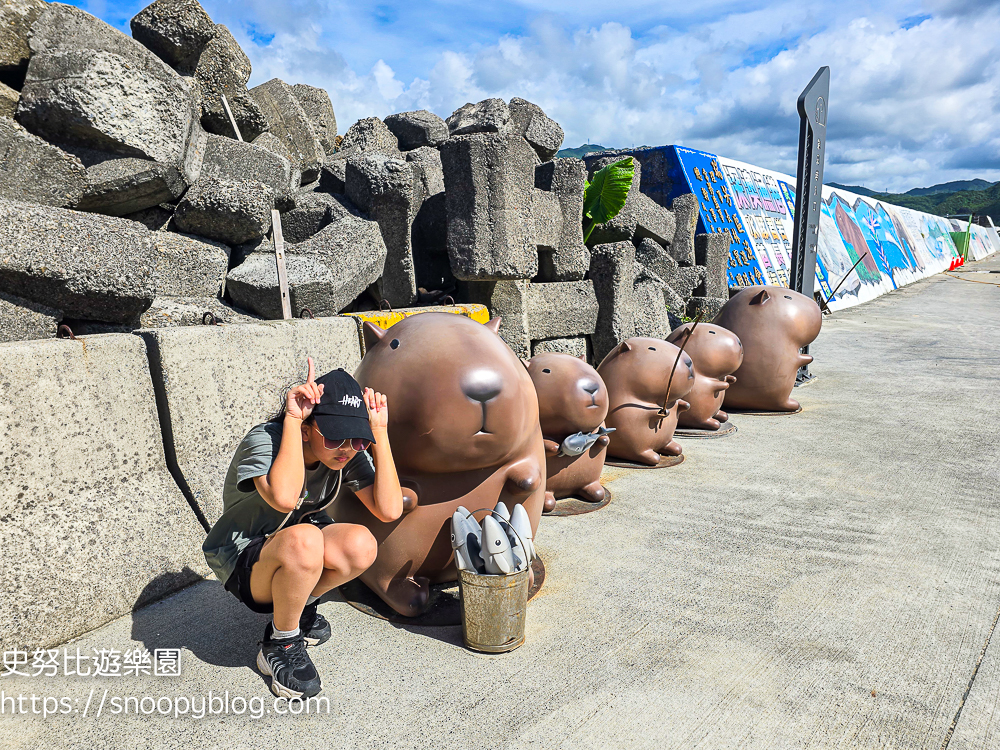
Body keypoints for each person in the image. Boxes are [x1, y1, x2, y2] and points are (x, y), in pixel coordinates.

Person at [202, 358, 403, 700]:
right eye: (335, 437)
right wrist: (293, 420)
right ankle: (281, 643)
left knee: (360, 544)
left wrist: (379, 433)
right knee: (306, 539)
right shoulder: (266, 440)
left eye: (358, 439)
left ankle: (297, 608)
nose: (347, 449)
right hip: (243, 558)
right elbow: (285, 498)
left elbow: (389, 509)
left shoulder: (347, 452)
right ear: (308, 430)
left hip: (296, 544)